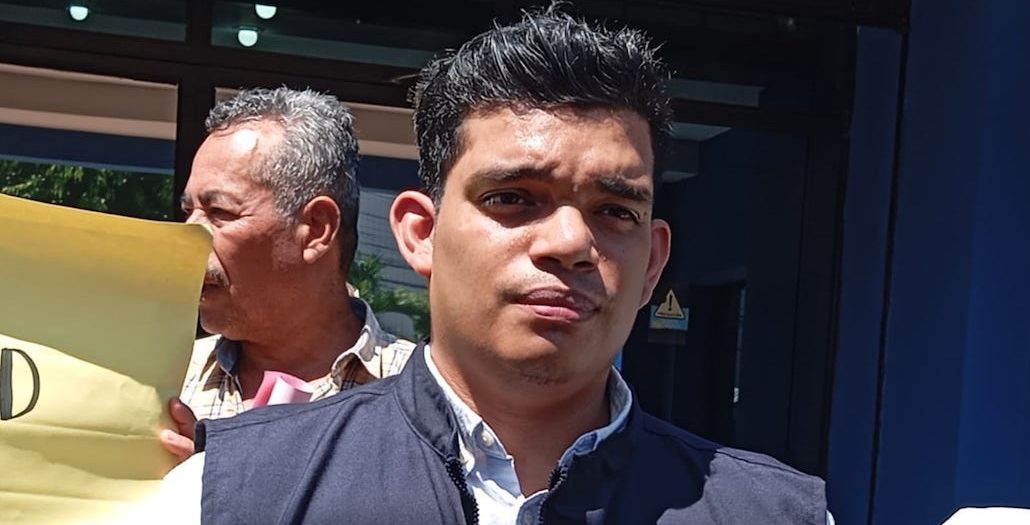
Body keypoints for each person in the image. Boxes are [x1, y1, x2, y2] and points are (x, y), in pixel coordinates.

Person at [158, 9, 830, 524]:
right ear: (421, 233)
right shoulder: (229, 493)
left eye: (614, 210)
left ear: (653, 262)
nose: (571, 241)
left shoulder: (772, 514)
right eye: (513, 198)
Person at [159, 87, 415, 459]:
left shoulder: (425, 399)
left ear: (316, 228)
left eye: (220, 213)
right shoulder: (163, 384)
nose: (188, 236)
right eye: (188, 212)